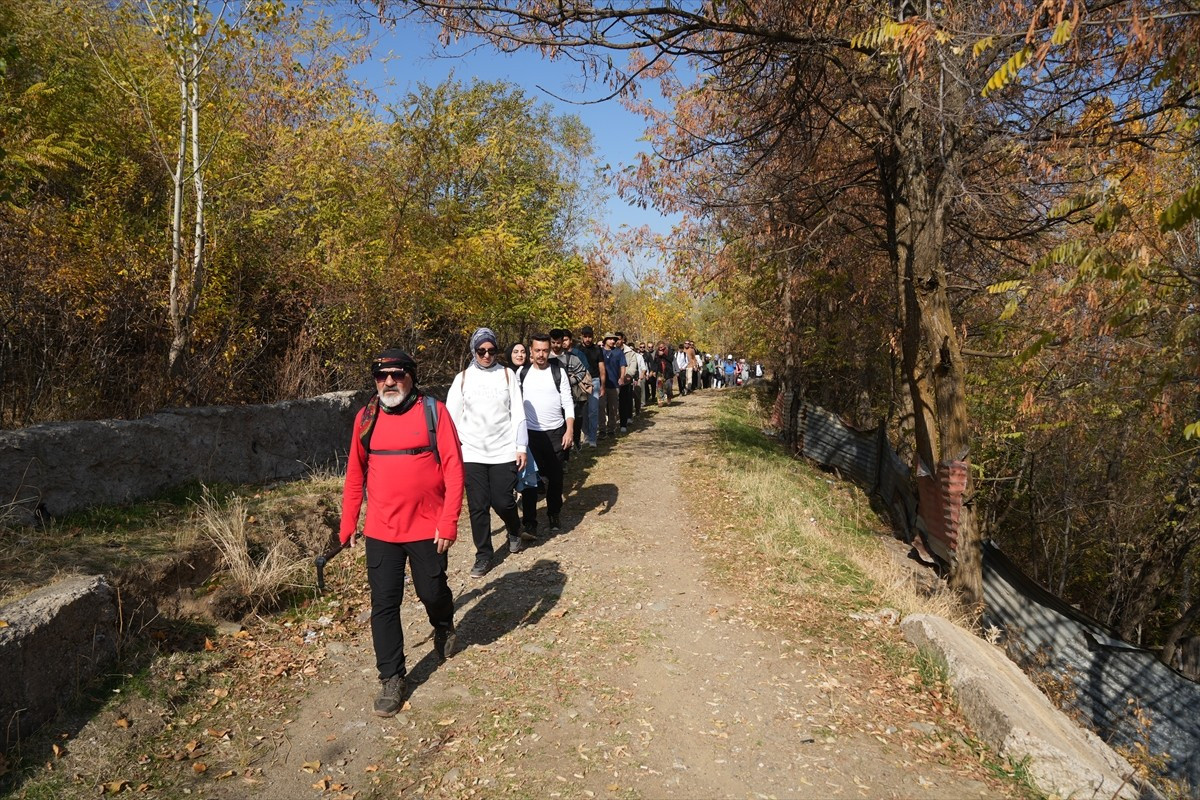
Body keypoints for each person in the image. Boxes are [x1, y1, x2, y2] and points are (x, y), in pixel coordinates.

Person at [338, 348, 464, 718]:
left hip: (428, 527)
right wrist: (348, 524)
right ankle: (391, 677)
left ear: (411, 376)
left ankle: (443, 624)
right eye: (381, 375)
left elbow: (454, 469)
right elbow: (355, 475)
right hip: (381, 529)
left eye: (396, 374)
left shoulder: (433, 411)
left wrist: (449, 520)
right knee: (384, 604)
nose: (389, 382)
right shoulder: (366, 418)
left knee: (432, 590)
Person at [447, 328, 530, 579]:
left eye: (491, 350)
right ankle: (483, 554)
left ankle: (514, 528)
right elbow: (450, 418)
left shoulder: (506, 376)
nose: (486, 355)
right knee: (478, 506)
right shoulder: (462, 379)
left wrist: (521, 446)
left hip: (503, 450)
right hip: (471, 452)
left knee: (503, 500)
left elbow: (518, 412)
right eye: (481, 351)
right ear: (474, 351)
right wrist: (452, 451)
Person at [518, 334, 575, 534]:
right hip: (530, 435)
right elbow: (515, 405)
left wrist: (569, 430)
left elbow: (568, 402)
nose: (541, 355)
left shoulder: (558, 372)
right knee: (530, 480)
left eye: (544, 350)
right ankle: (530, 523)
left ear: (549, 350)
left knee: (555, 478)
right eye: (537, 351)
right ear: (531, 352)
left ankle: (553, 513)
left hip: (556, 433)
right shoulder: (522, 373)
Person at [551, 328, 591, 449]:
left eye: (559, 342)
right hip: (551, 398)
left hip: (571, 397)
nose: (556, 345)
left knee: (574, 420)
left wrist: (569, 381)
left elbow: (582, 371)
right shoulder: (545, 358)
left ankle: (574, 443)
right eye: (553, 342)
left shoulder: (571, 358)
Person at [577, 326, 605, 447]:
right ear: (582, 336)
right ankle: (587, 434)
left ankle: (593, 438)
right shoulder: (577, 350)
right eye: (585, 336)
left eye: (590, 336)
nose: (588, 339)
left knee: (593, 411)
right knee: (582, 411)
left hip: (594, 381)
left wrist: (603, 385)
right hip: (581, 382)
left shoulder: (598, 350)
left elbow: (602, 368)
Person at [600, 332, 626, 437]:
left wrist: (622, 377)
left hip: (614, 384)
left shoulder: (618, 352)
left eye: (614, 339)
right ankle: (602, 429)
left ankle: (612, 428)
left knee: (613, 408)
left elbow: (623, 366)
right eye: (610, 339)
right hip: (602, 385)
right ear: (605, 340)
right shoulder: (599, 352)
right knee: (601, 408)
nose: (612, 341)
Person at [652, 341, 675, 406]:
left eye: (662, 347)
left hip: (668, 372)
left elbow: (671, 359)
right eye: (659, 347)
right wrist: (654, 371)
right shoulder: (657, 352)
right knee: (659, 387)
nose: (661, 349)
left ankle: (669, 398)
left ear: (664, 346)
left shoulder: (669, 351)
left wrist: (663, 355)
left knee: (668, 387)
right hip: (660, 372)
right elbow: (655, 362)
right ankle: (660, 401)